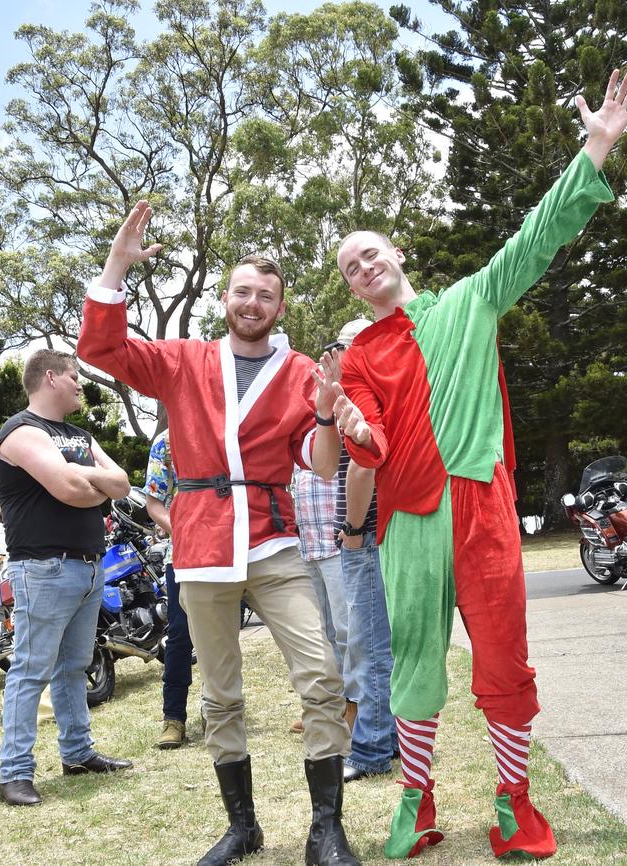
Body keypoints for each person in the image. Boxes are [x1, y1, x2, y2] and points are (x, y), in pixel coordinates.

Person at [327, 70, 627, 860]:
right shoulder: (357, 354)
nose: (364, 269)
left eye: (370, 255)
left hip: (482, 509)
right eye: (349, 269)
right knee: (416, 667)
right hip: (409, 522)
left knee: (503, 655)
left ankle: (513, 801)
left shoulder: (470, 300)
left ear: (397, 255)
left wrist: (594, 150)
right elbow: (371, 448)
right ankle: (416, 801)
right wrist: (351, 423)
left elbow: (537, 237)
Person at [77, 228, 361, 865]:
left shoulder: (300, 371)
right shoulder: (184, 360)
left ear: (279, 307)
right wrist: (118, 264)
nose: (252, 303)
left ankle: (326, 828)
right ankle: (243, 827)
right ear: (224, 298)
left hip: (272, 539)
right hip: (203, 541)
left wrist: (322, 412)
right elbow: (101, 346)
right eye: (242, 292)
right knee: (220, 693)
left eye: (265, 295)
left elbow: (319, 466)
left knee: (320, 674)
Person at [0, 349, 132, 808]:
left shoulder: (79, 435)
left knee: (73, 668)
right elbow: (72, 491)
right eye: (74, 376)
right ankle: (14, 774)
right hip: (43, 568)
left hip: (90, 567)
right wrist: (89, 480)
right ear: (50, 378)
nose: (80, 384)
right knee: (31, 670)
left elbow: (123, 483)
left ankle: (77, 753)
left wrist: (79, 471)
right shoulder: (19, 431)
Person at [327, 320, 397, 782]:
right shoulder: (375, 394)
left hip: (367, 536)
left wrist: (352, 529)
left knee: (369, 647)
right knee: (378, 644)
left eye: (343, 347)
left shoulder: (360, 397)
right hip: (379, 535)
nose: (336, 357)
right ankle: (387, 738)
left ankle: (371, 749)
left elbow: (360, 469)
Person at [292, 465, 356, 734]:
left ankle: (356, 707)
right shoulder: (294, 425)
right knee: (321, 636)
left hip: (336, 544)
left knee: (348, 632)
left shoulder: (331, 424)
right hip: (305, 546)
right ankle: (333, 706)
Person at [143, 427, 195, 749]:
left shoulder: (222, 422)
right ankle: (173, 718)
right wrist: (186, 532)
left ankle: (217, 708)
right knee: (178, 634)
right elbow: (154, 503)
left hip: (224, 553)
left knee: (221, 631)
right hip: (183, 555)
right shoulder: (165, 441)